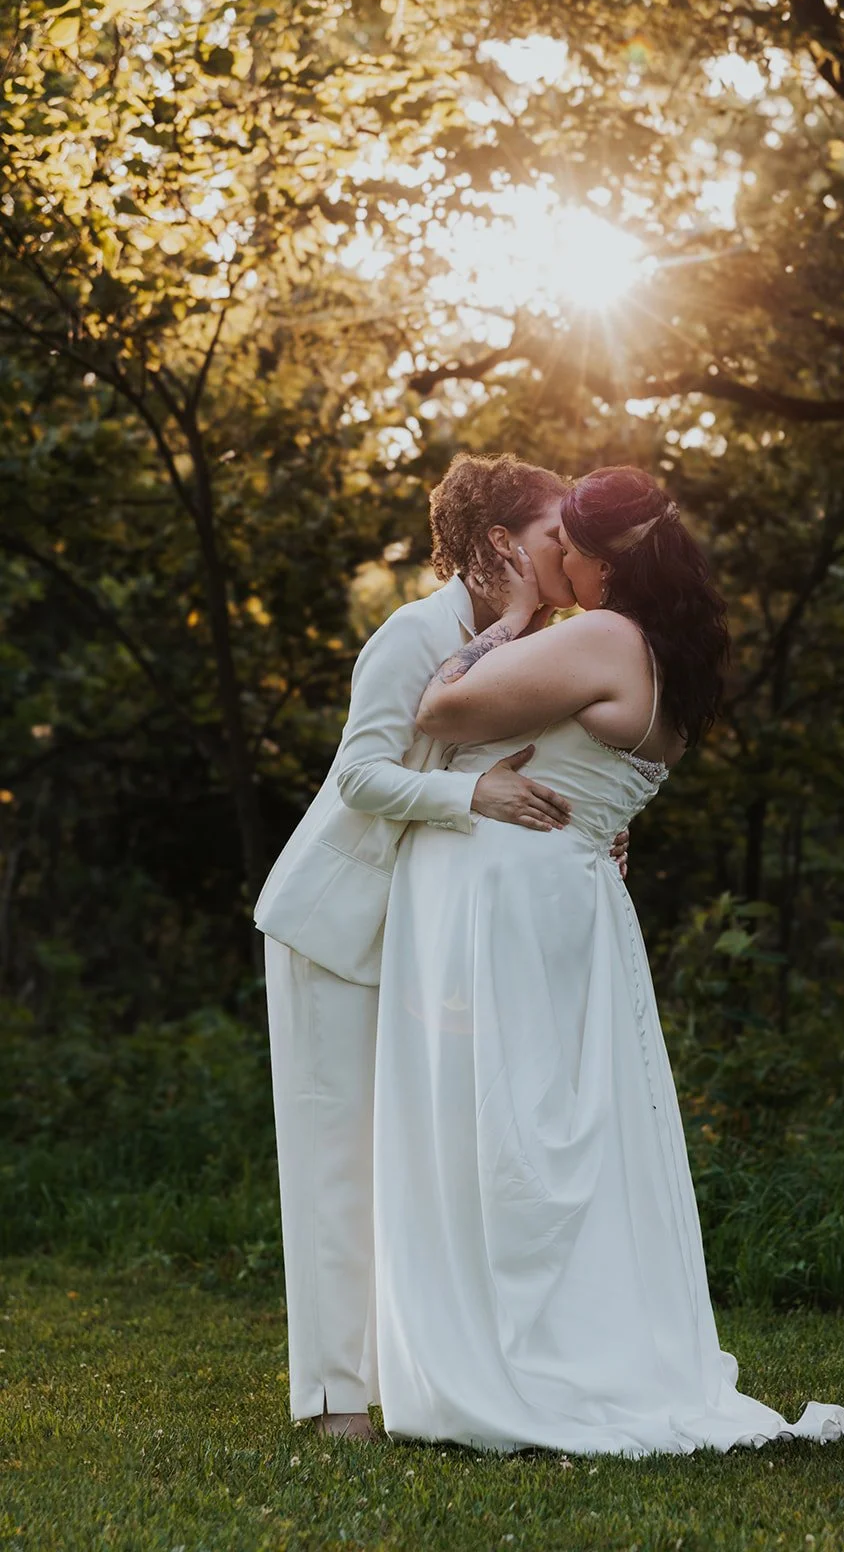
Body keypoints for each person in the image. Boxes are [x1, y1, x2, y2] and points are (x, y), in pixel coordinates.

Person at [372, 465, 844, 1456]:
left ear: (601, 561)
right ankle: (551, 1337)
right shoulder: (670, 657)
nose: (561, 570)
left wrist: (507, 617)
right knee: (557, 1126)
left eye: (570, 555)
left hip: (513, 896)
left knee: (509, 1119)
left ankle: (520, 1353)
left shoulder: (601, 634)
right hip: (572, 892)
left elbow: (437, 709)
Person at [254, 453, 627, 1438]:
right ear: (503, 541)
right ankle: (334, 1400)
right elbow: (363, 777)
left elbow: (540, 759)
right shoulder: (412, 635)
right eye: (556, 537)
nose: (573, 553)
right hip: (334, 924)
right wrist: (476, 794)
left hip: (429, 943)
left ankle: (432, 1373)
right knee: (337, 1163)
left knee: (424, 1164)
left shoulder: (530, 641)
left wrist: (590, 817)